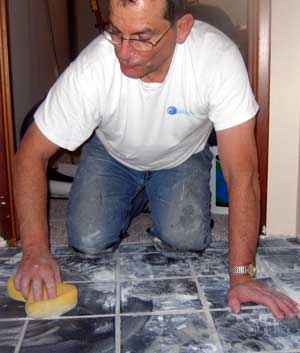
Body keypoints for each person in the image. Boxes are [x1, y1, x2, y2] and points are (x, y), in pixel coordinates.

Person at [13, 0, 298, 320]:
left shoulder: (217, 59)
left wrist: (242, 275)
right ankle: (141, 197)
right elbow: (29, 154)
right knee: (88, 238)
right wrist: (34, 250)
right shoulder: (95, 66)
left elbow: (242, 174)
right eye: (116, 32)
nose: (123, 51)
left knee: (186, 239)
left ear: (182, 28)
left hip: (181, 158)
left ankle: (154, 198)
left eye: (142, 37)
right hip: (112, 156)